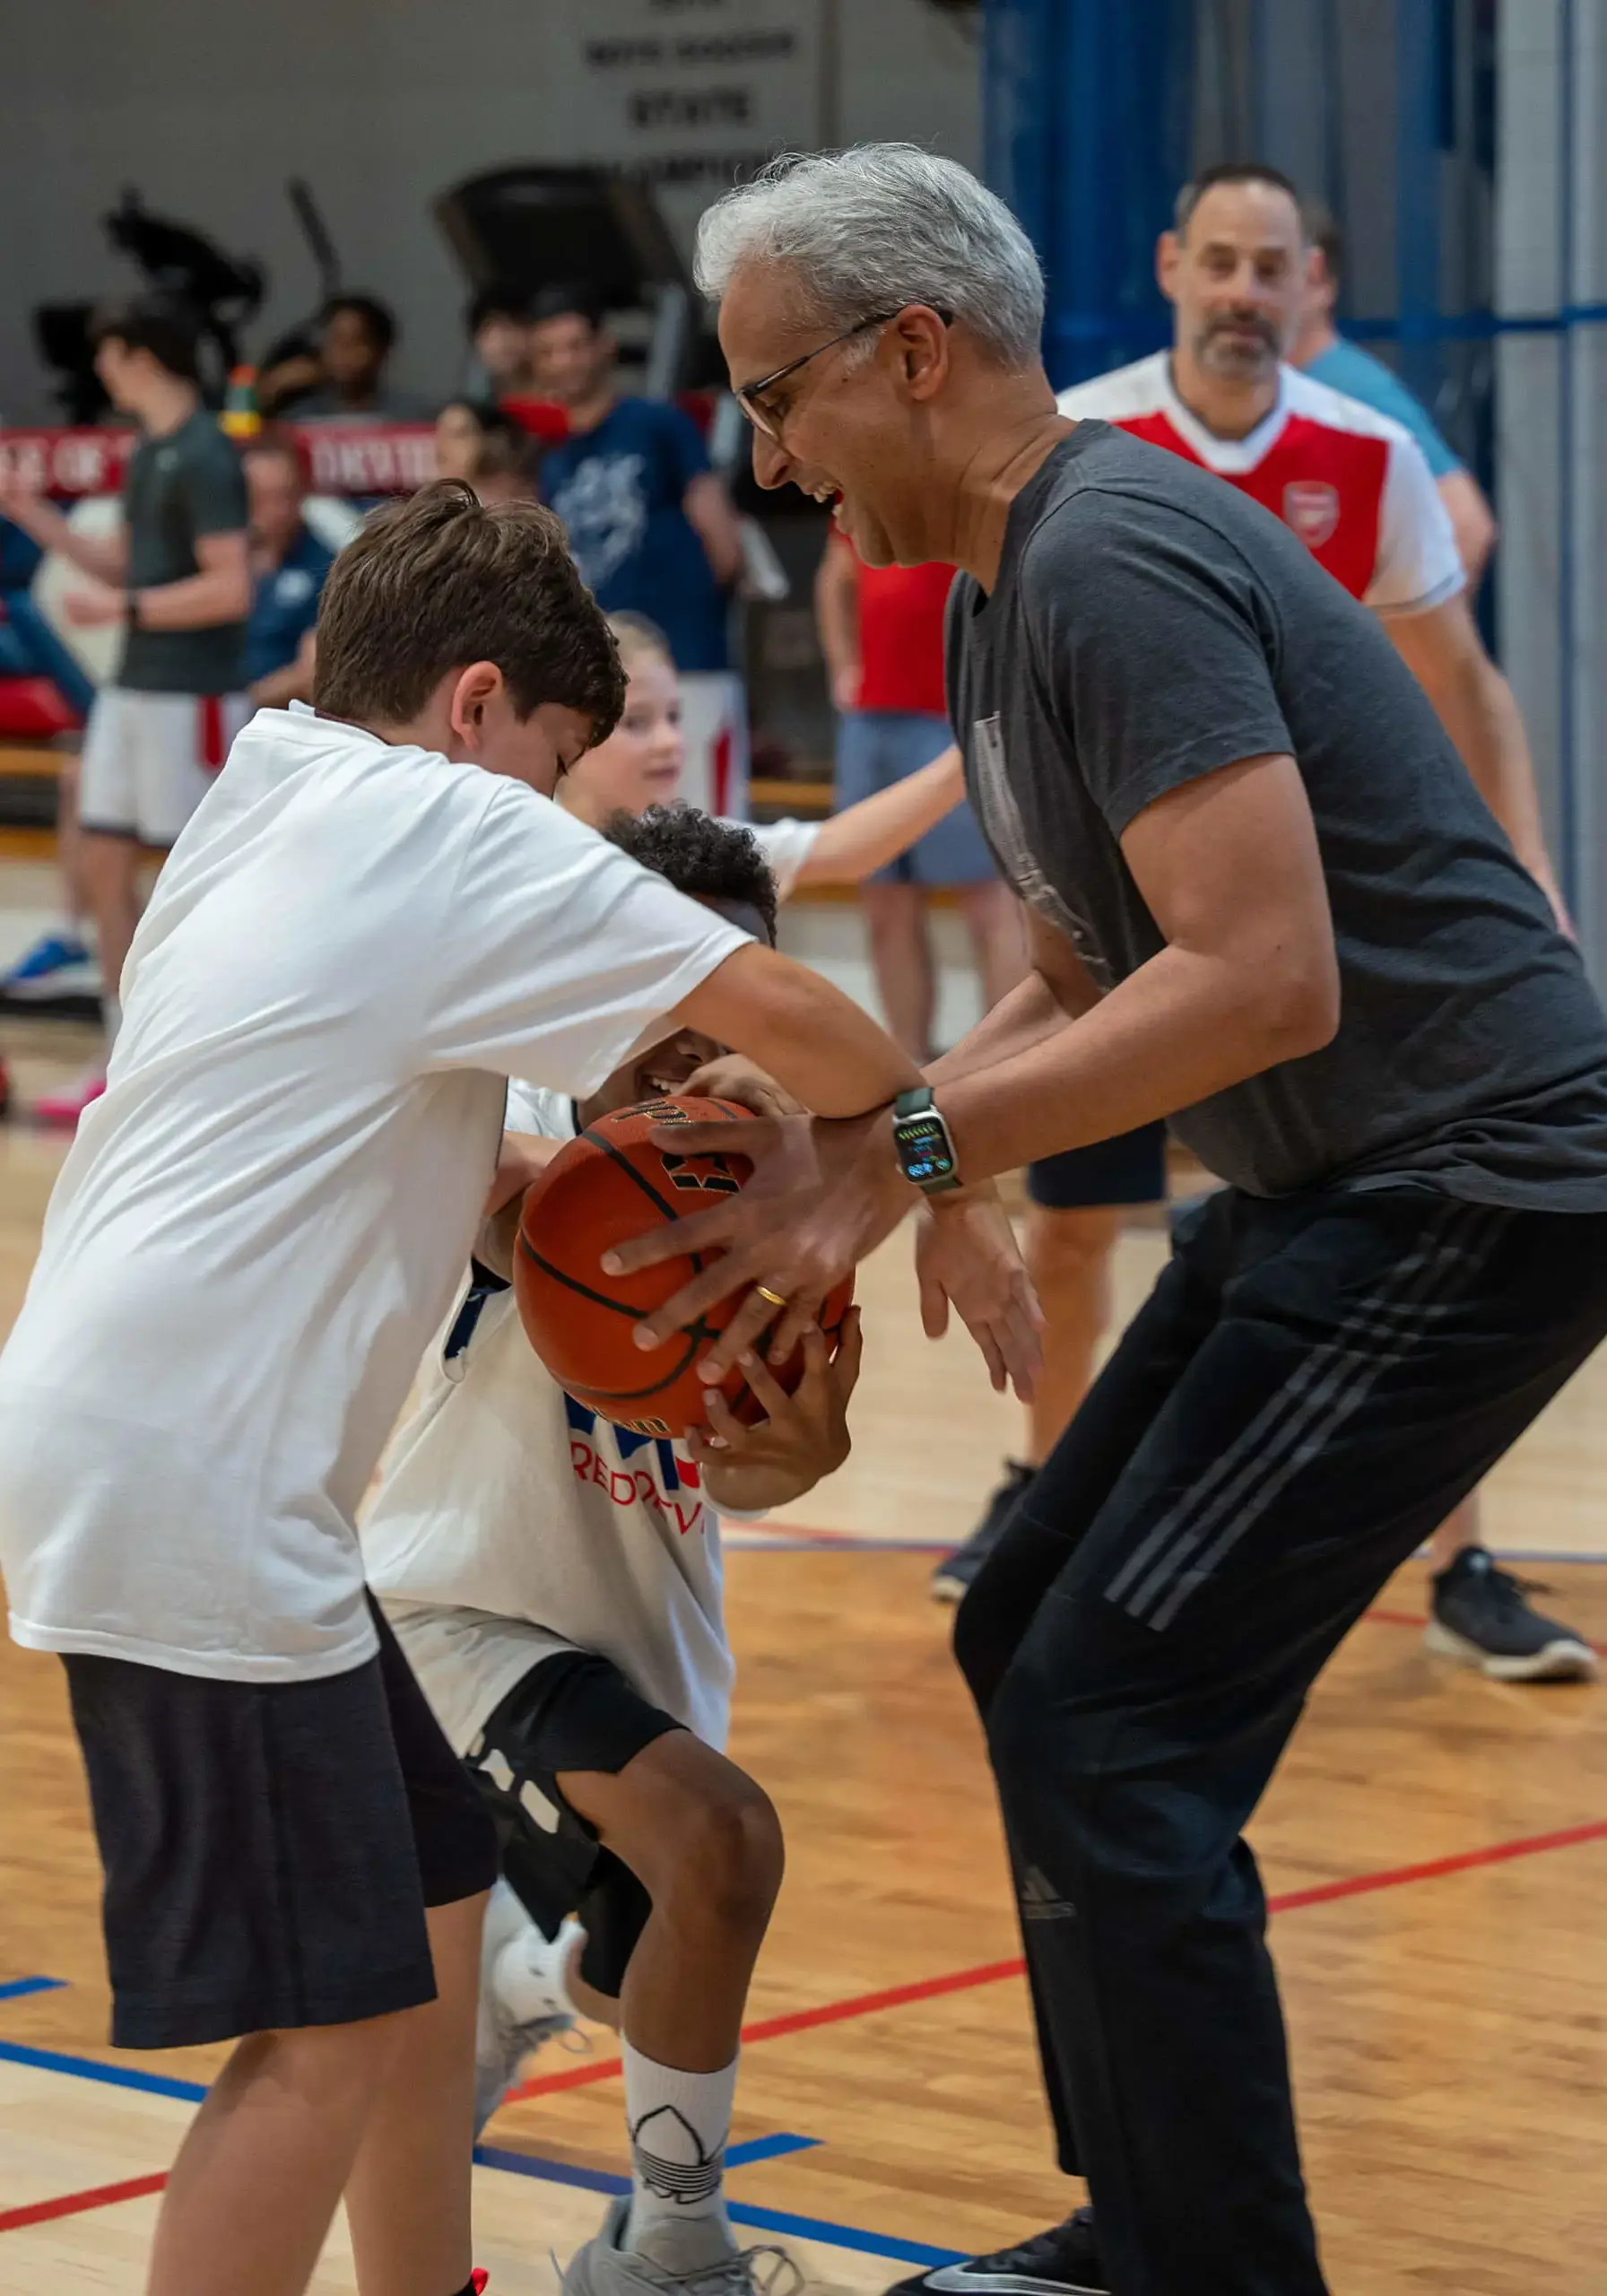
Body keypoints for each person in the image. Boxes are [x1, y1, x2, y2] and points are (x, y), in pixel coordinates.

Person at [595, 143, 1607, 2295]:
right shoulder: (995, 592)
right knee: (1023, 1625)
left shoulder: (1111, 552)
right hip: (1345, 1180)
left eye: (781, 396)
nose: (770, 462)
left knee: (1110, 1713)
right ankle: (1157, 2216)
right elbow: (1083, 953)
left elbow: (1260, 975)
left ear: (917, 349)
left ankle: (1211, 2260)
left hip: (1474, 1179)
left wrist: (908, 1158)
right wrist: (906, 1134)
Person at [0, 478, 1003, 2296]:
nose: (557, 809)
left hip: (157, 1445)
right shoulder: (444, 827)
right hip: (195, 1484)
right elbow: (814, 1022)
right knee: (312, 2036)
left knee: (434, 1880)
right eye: (550, 762)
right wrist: (950, 1194)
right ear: (473, 706)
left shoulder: (269, 778)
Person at [942, 160, 1596, 1685]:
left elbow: (1462, 688)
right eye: (1218, 263)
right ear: (1171, 266)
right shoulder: (1070, 454)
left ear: (1312, 285)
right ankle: (1043, 1484)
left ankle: (1460, 1555)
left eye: (1271, 269)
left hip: (1330, 985)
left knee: (1380, 1226)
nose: (1242, 293)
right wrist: (913, 1146)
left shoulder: (1365, 454)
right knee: (1091, 1214)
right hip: (1129, 914)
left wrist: (1533, 865)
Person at [362, 806, 856, 2296]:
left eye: (734, 999)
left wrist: (801, 1441)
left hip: (642, 1647)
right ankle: (667, 2255)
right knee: (724, 1840)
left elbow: (774, 1462)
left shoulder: (781, 1187)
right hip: (456, 1616)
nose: (695, 1045)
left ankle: (519, 1984)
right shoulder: (519, 1122)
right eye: (664, 999)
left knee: (654, 1941)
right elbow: (522, 1216)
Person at [0, 294, 252, 1126]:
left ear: (141, 356)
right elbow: (126, 567)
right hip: (135, 693)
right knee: (104, 866)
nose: (98, 371)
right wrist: (32, 514)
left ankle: (205, 1056)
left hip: (191, 698)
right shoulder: (150, 451)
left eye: (106, 355)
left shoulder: (209, 453)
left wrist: (130, 614)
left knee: (194, 885)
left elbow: (229, 586)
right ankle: (121, 1053)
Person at [567, 610, 974, 906]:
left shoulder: (689, 846)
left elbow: (842, 849)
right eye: (636, 722)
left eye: (675, 717)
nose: (669, 741)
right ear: (567, 735)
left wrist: (969, 755)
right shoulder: (529, 841)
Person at [531, 285, 749, 813]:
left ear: (605, 347)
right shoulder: (552, 464)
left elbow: (724, 545)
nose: (566, 361)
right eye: (551, 351)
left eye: (576, 344)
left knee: (712, 840)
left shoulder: (659, 425)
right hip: (605, 683)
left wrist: (691, 620)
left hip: (687, 670)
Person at [815, 535, 1022, 1061]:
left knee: (990, 899)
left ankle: (1003, 1066)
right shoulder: (856, 485)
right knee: (884, 898)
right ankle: (908, 1067)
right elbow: (835, 576)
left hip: (953, 712)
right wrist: (843, 666)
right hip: (872, 715)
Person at [1292, 201, 1498, 586]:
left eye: (1272, 269)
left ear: (1318, 279)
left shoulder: (1353, 390)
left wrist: (1413, 637)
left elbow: (1467, 524)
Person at [243, 437, 336, 709]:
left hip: (279, 721)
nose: (274, 510)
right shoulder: (216, 558)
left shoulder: (327, 568)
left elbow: (311, 670)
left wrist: (239, 704)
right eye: (259, 498)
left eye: (284, 495)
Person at [289, 292, 435, 422]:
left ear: (382, 351)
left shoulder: (412, 417)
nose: (343, 354)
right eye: (336, 341)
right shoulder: (300, 419)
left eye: (355, 343)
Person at [465, 283, 537, 400]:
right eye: (487, 330)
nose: (502, 340)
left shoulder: (561, 396)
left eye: (512, 325)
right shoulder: (481, 404)